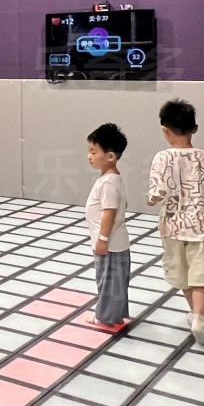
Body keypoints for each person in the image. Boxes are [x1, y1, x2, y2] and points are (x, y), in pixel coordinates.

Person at [147, 99, 204, 347]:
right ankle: (199, 319)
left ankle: (193, 313)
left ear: (164, 129)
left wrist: (155, 198)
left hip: (173, 225)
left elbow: (156, 194)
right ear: (195, 128)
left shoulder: (162, 158)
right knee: (201, 273)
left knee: (181, 271)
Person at [85, 122, 132, 331]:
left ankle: (105, 317)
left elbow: (109, 212)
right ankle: (116, 315)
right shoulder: (114, 179)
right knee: (116, 282)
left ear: (110, 156)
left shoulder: (107, 182)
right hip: (118, 242)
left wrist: (102, 239)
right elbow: (124, 205)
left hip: (110, 244)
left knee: (107, 281)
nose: (89, 156)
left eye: (94, 152)